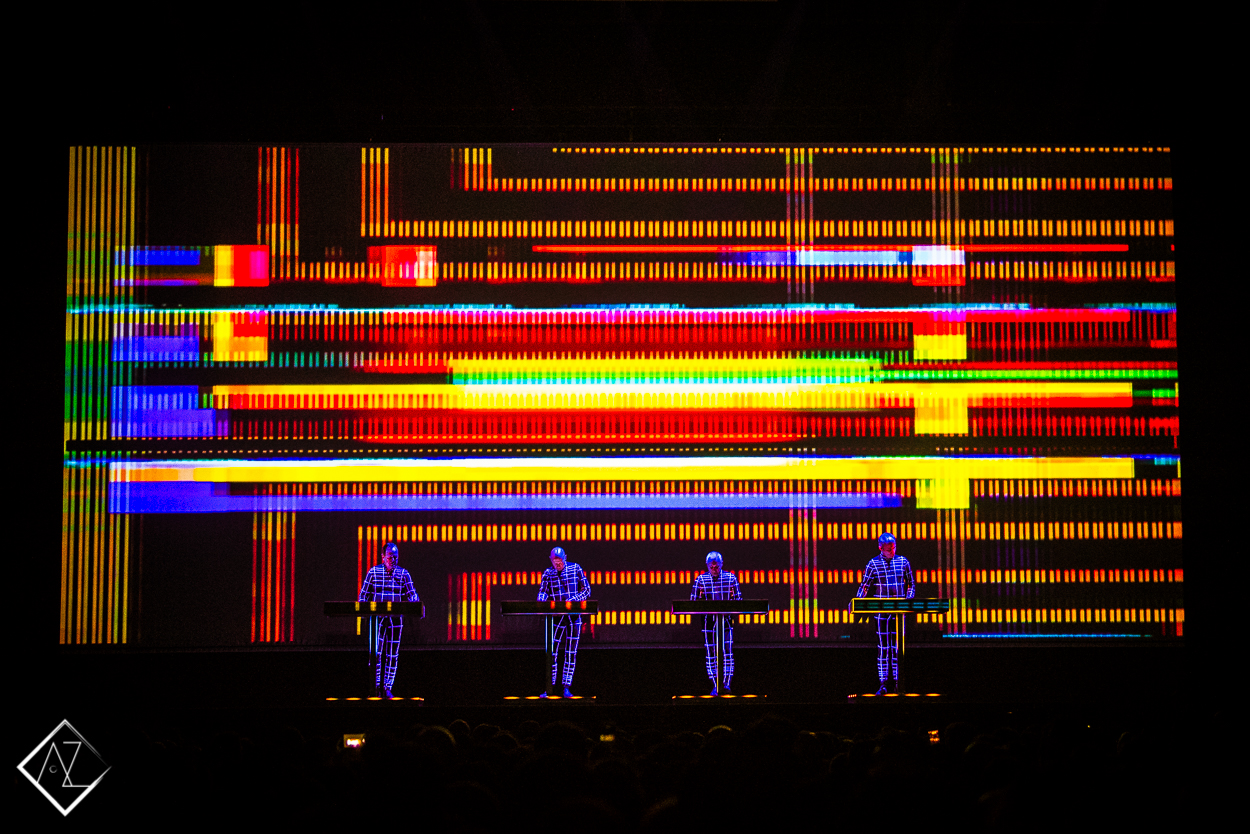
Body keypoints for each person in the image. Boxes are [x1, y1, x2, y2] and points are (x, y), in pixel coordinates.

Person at [852, 532, 915, 694]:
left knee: (897, 648)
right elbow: (864, 585)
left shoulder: (903, 562)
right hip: (881, 612)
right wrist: (858, 602)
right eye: (888, 549)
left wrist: (908, 600)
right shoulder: (873, 563)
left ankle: (898, 681)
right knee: (883, 647)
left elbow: (911, 584)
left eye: (894, 548)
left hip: (899, 612)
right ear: (880, 548)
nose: (892, 551)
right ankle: (883, 683)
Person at [357, 541, 420, 698]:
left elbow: (412, 595)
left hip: (395, 619)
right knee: (375, 653)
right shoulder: (373, 572)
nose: (393, 560)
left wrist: (415, 602)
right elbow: (363, 596)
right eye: (390, 557)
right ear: (383, 557)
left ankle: (387, 687)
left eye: (396, 557)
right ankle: (376, 686)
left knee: (392, 654)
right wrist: (364, 612)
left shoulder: (403, 574)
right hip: (376, 619)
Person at [536, 546, 591, 697]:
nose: (558, 564)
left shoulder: (575, 568)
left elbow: (586, 590)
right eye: (555, 562)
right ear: (551, 560)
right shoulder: (548, 573)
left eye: (560, 561)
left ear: (565, 558)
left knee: (570, 652)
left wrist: (574, 600)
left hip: (573, 616)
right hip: (556, 616)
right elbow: (543, 591)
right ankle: (550, 686)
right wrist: (541, 601)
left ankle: (566, 686)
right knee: (551, 651)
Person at [691, 551, 741, 696]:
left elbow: (738, 601)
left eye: (717, 566)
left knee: (727, 652)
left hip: (726, 621)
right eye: (711, 566)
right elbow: (693, 602)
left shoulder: (731, 578)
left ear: (721, 564)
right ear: (707, 565)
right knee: (711, 653)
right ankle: (715, 684)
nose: (714, 568)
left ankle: (726, 684)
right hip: (708, 622)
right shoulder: (701, 579)